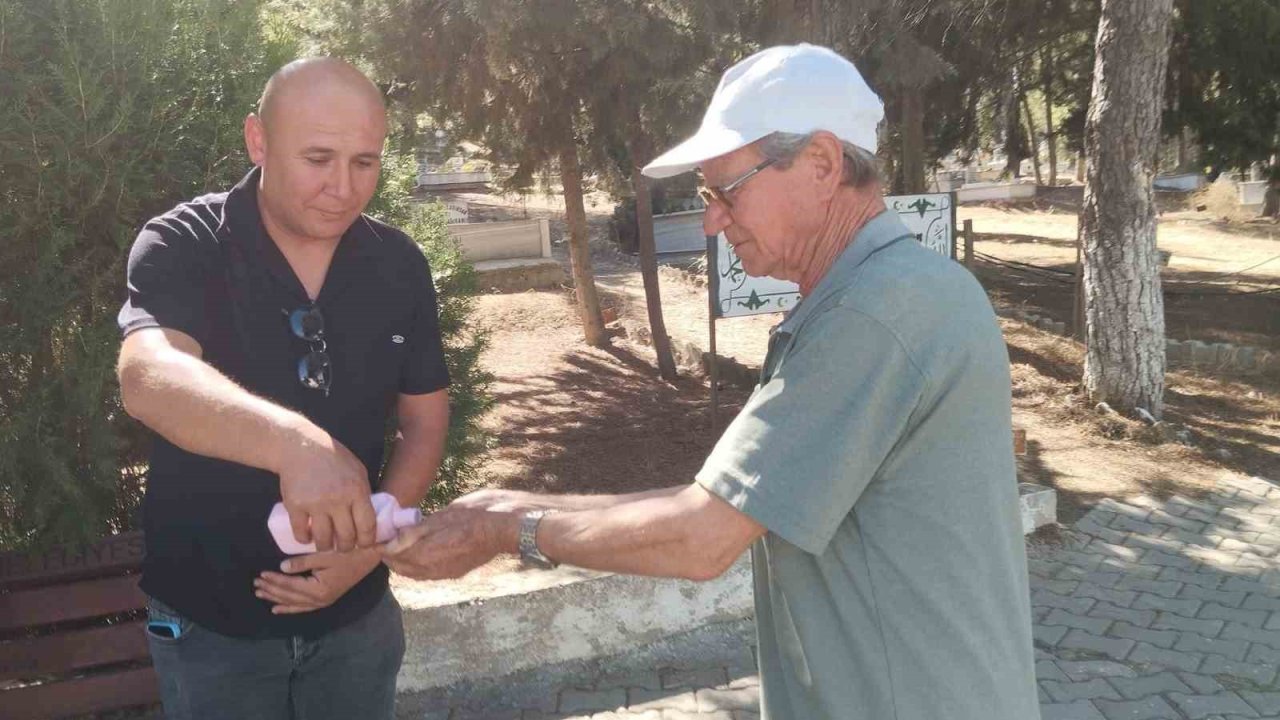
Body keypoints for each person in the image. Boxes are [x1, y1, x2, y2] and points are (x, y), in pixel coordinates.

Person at [382, 44, 1039, 720]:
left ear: (821, 164)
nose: (711, 220)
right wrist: (510, 506)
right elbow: (732, 499)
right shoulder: (899, 290)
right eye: (706, 195)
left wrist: (507, 532)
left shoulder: (873, 314)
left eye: (727, 191)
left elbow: (703, 537)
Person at [116, 58, 450, 719]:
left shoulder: (399, 266)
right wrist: (297, 445)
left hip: (358, 621)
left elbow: (426, 425)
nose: (343, 187)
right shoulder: (184, 242)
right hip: (210, 631)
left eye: (364, 162)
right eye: (319, 158)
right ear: (258, 141)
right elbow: (148, 377)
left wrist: (369, 548)